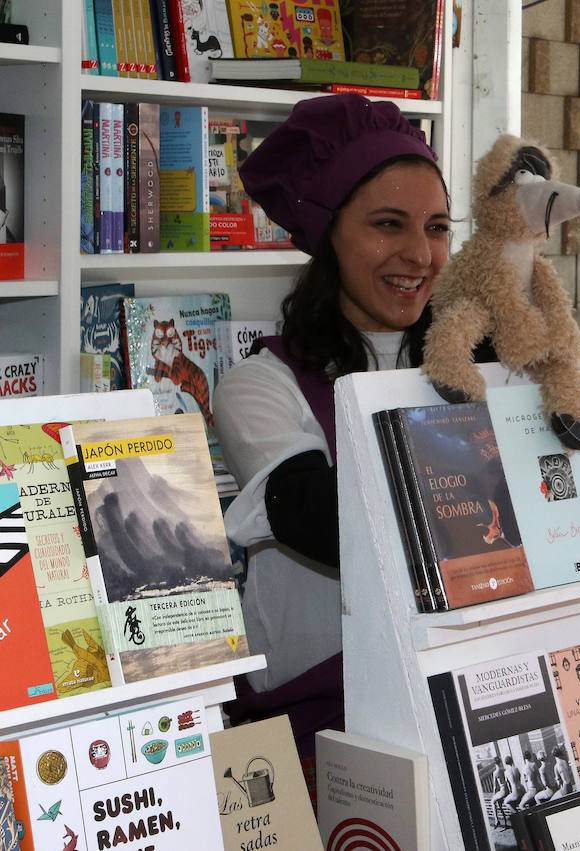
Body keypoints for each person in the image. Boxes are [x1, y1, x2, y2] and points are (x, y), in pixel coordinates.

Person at [214, 94, 493, 772]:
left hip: (463, 700)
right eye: (387, 224)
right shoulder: (260, 385)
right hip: (313, 735)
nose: (420, 255)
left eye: (437, 228)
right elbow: (317, 516)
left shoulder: (482, 370)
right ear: (328, 234)